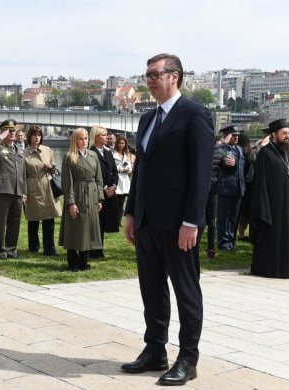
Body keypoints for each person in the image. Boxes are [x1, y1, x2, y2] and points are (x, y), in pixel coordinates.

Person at [122, 53, 214, 386]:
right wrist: (131, 212)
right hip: (147, 221)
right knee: (152, 288)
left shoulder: (195, 115)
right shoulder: (147, 119)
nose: (147, 80)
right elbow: (141, 172)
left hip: (179, 224)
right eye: (145, 74)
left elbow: (202, 174)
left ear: (174, 76)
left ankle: (188, 358)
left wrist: (192, 220)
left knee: (186, 290)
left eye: (153, 74)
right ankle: (154, 350)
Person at [250, 119, 289, 279]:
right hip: (271, 206)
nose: (287, 136)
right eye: (284, 133)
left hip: (287, 205)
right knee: (271, 238)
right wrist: (263, 208)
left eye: (288, 133)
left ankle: (285, 269)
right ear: (274, 134)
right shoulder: (265, 153)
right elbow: (261, 183)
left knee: (285, 237)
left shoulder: (288, 152)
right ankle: (267, 269)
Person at [59, 128, 103, 271]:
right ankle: (73, 262)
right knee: (75, 228)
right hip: (77, 194)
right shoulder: (69, 157)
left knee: (88, 228)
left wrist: (100, 199)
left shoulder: (93, 155)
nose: (84, 141)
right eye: (80, 139)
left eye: (85, 138)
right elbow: (67, 182)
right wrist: (71, 202)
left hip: (92, 195)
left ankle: (84, 261)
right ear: (75, 140)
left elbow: (99, 179)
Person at [0, 119, 26, 259]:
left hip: (18, 190)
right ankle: (1, 250)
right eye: (9, 131)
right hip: (3, 189)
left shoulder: (19, 150)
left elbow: (23, 173)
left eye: (13, 130)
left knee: (15, 222)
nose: (12, 133)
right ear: (3, 132)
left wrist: (24, 192)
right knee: (1, 222)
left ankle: (11, 249)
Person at [23, 125, 62, 255]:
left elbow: (55, 169)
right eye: (34, 135)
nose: (37, 137)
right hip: (33, 187)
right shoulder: (24, 153)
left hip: (48, 186)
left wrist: (51, 167)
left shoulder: (47, 150)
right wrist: (24, 192)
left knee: (49, 218)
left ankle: (49, 249)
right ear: (30, 136)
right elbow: (22, 175)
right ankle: (33, 247)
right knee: (33, 218)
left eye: (39, 135)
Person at [89, 126, 119, 259]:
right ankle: (92, 250)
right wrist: (101, 188)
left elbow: (114, 171)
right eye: (103, 135)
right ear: (95, 137)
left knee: (104, 222)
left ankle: (99, 249)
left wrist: (114, 185)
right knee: (95, 222)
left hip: (109, 192)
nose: (107, 137)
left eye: (107, 135)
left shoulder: (108, 152)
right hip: (96, 192)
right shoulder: (90, 152)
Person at [216, 125, 245, 251]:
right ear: (227, 136)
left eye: (238, 135)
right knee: (223, 217)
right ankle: (223, 242)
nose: (237, 137)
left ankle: (231, 242)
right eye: (234, 135)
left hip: (238, 187)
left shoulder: (239, 149)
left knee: (234, 217)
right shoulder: (221, 149)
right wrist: (223, 142)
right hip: (226, 188)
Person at [205, 136, 225, 258]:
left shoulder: (219, 152)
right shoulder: (197, 149)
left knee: (212, 221)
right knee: (201, 221)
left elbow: (228, 169)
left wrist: (230, 165)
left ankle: (211, 248)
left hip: (212, 190)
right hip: (203, 190)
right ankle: (196, 247)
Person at [236, 131, 253, 241]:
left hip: (239, 184)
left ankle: (240, 233)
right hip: (250, 185)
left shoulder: (237, 152)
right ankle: (245, 233)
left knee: (240, 212)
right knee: (248, 213)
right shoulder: (251, 153)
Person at [113, 135, 133, 227]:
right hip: (117, 181)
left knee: (121, 203)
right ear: (117, 144)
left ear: (125, 144)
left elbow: (130, 168)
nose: (121, 145)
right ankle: (114, 222)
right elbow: (111, 167)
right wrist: (121, 169)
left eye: (123, 143)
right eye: (120, 143)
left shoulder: (126, 155)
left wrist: (128, 169)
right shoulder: (113, 154)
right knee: (115, 203)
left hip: (125, 181)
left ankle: (119, 222)